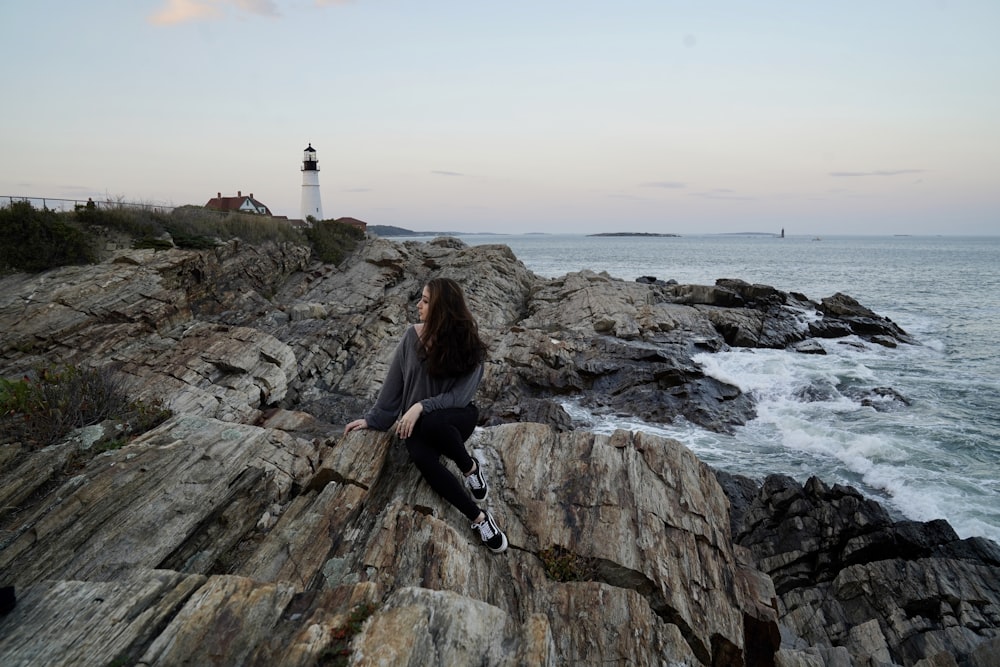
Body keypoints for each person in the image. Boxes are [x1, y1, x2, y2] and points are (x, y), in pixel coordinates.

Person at [344, 277, 508, 553]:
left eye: (426, 301)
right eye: (420, 299)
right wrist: (373, 420)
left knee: (433, 420)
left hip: (456, 419)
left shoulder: (471, 346)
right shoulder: (411, 337)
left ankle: (469, 468)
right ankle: (479, 518)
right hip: (418, 426)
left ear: (443, 308)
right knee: (421, 457)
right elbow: (393, 385)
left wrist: (419, 406)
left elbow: (459, 398)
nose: (418, 305)